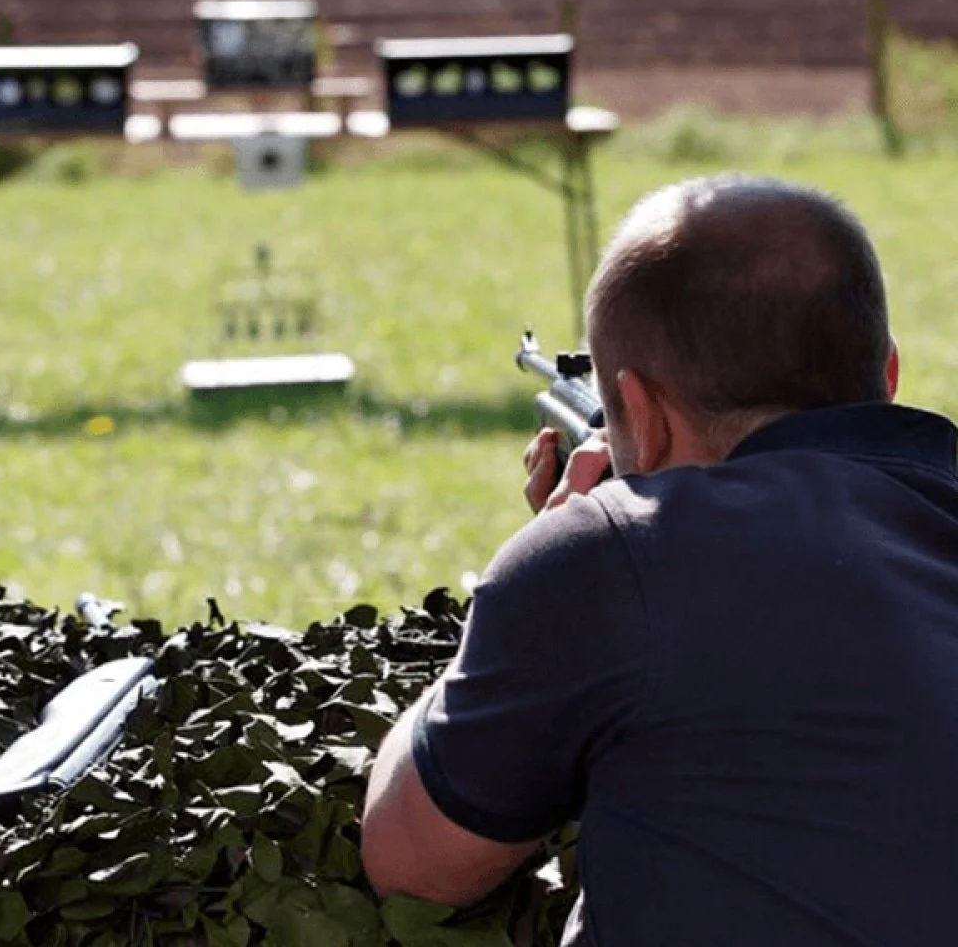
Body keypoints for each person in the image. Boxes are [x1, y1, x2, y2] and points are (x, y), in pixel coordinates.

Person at [360, 174, 958, 946]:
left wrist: (543, 559)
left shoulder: (610, 553)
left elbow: (413, 866)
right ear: (887, 377)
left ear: (638, 413)